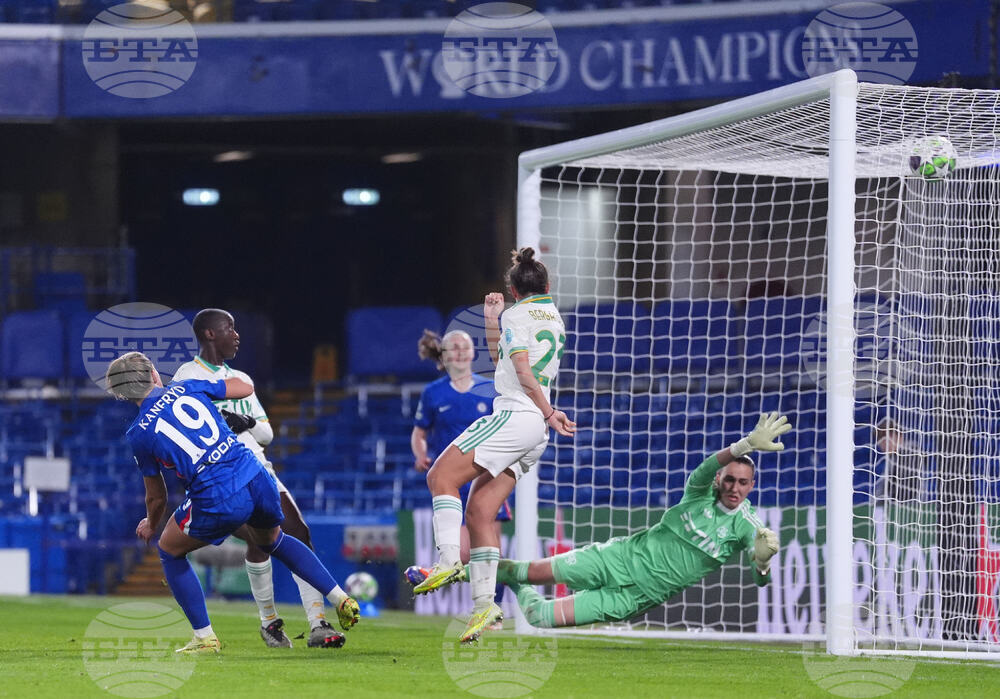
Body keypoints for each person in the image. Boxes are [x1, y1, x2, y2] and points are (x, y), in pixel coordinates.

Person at [107, 351, 360, 653]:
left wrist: (150, 523)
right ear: (153, 373)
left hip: (217, 494)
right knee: (275, 541)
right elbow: (244, 387)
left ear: (122, 395)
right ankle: (340, 598)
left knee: (168, 549)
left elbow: (156, 496)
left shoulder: (139, 433)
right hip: (255, 473)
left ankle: (204, 637)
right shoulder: (186, 387)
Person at [439, 412, 790, 629]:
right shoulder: (699, 492)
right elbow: (708, 465)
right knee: (534, 571)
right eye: (730, 479)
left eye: (743, 483)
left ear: (752, 486)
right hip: (616, 559)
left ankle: (508, 581)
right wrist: (744, 445)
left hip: (637, 598)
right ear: (720, 480)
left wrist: (761, 564)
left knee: (538, 618)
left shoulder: (748, 526)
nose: (734, 487)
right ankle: (454, 573)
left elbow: (760, 583)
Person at [412, 247, 576, 644]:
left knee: (440, 478)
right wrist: (491, 321)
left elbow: (518, 369)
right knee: (481, 511)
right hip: (534, 433)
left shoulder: (516, 315)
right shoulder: (554, 317)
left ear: (514, 291)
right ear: (547, 287)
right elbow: (504, 358)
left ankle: (448, 560)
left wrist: (549, 410)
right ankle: (485, 604)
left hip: (518, 415)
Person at [173, 308, 342, 649]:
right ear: (209, 334)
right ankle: (269, 621)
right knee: (259, 539)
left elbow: (266, 433)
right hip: (219, 478)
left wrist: (245, 423)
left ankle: (317, 623)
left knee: (297, 532)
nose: (236, 334)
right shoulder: (186, 377)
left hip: (259, 469)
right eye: (229, 327)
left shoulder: (241, 380)